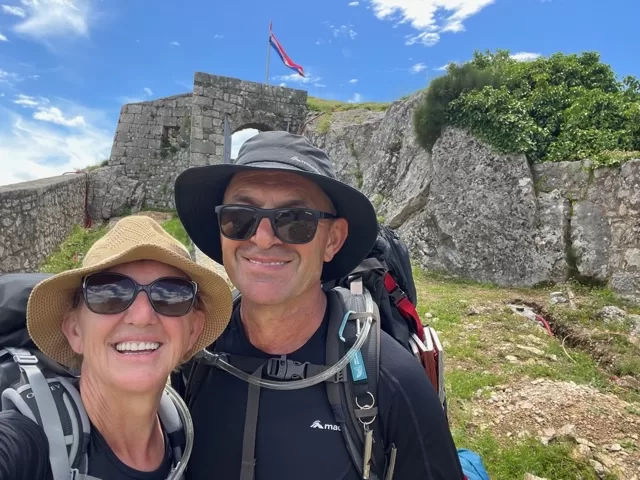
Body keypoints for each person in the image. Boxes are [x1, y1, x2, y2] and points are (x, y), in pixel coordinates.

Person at [174, 131, 465, 479]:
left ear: (333, 240)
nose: (263, 239)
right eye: (239, 217)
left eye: (295, 220)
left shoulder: (394, 383)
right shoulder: (189, 358)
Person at [0, 215, 233, 480]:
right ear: (75, 331)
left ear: (192, 331)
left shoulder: (180, 435)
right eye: (109, 293)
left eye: (171, 294)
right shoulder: (28, 439)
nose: (142, 316)